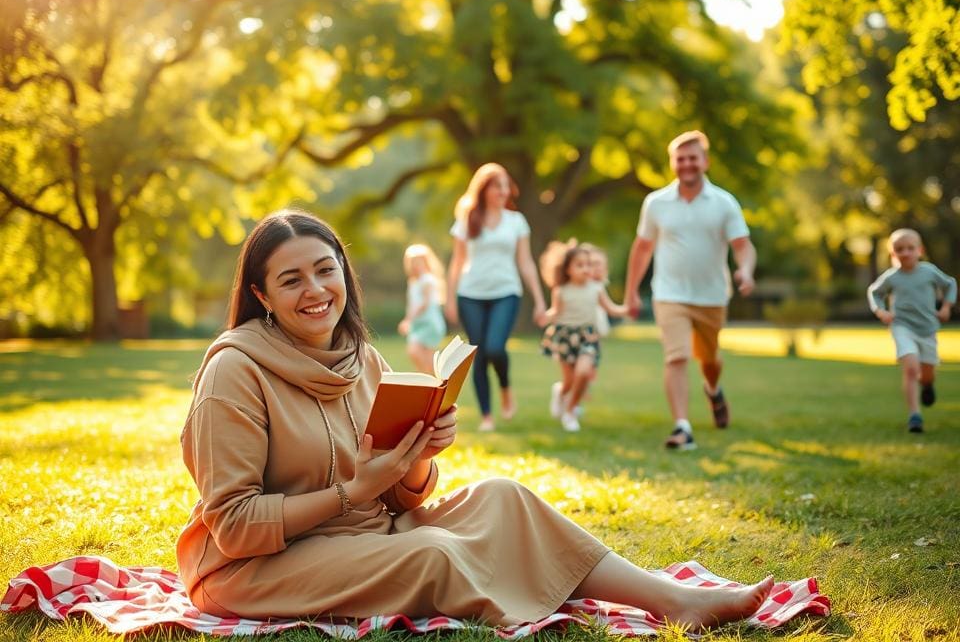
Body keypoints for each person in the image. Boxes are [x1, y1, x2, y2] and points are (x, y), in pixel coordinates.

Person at [176, 208, 775, 629]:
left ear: (343, 274)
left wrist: (418, 459)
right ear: (261, 295)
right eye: (291, 279)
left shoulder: (364, 359)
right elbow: (232, 525)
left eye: (325, 269)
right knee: (435, 552)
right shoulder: (235, 372)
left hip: (364, 537)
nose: (316, 290)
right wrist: (350, 491)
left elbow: (400, 501)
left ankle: (672, 600)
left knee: (503, 497)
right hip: (255, 567)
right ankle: (537, 602)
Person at [623, 131, 756, 451]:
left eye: (692, 158)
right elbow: (642, 249)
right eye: (680, 159)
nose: (686, 164)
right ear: (672, 163)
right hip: (669, 294)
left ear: (705, 161)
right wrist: (630, 293)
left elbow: (743, 245)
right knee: (677, 356)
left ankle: (713, 389)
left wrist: (746, 270)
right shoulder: (655, 203)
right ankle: (682, 427)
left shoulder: (724, 202)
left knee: (709, 360)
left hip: (712, 295)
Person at [445, 163, 547, 431]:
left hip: (506, 292)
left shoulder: (516, 221)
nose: (502, 191)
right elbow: (457, 261)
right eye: (496, 185)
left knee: (495, 348)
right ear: (484, 189)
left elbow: (525, 262)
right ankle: (487, 416)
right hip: (470, 294)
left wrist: (539, 300)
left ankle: (505, 386)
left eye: (505, 185)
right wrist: (450, 298)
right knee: (478, 353)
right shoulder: (467, 219)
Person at [867, 228, 956, 433]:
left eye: (910, 248)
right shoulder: (892, 277)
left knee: (926, 374)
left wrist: (945, 307)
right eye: (899, 249)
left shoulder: (929, 271)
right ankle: (915, 416)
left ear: (920, 250)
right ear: (893, 254)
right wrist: (881, 311)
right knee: (910, 368)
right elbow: (874, 292)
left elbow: (950, 284)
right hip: (902, 326)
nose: (905, 253)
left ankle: (927, 385)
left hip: (927, 329)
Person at [540, 241, 629, 432]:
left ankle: (571, 411)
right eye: (579, 265)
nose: (585, 269)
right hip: (565, 336)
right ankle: (560, 392)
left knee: (583, 373)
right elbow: (555, 312)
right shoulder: (561, 290)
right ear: (568, 269)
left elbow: (611, 308)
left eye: (588, 264)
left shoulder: (596, 288)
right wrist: (544, 317)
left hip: (587, 336)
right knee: (570, 381)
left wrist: (627, 309)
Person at [398, 243, 447, 374]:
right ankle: (427, 379)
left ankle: (432, 381)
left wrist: (408, 319)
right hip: (418, 324)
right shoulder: (414, 281)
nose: (416, 265)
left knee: (420, 353)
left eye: (419, 262)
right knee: (416, 353)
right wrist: (409, 319)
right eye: (413, 262)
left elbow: (424, 304)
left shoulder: (428, 280)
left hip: (429, 323)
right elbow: (412, 304)